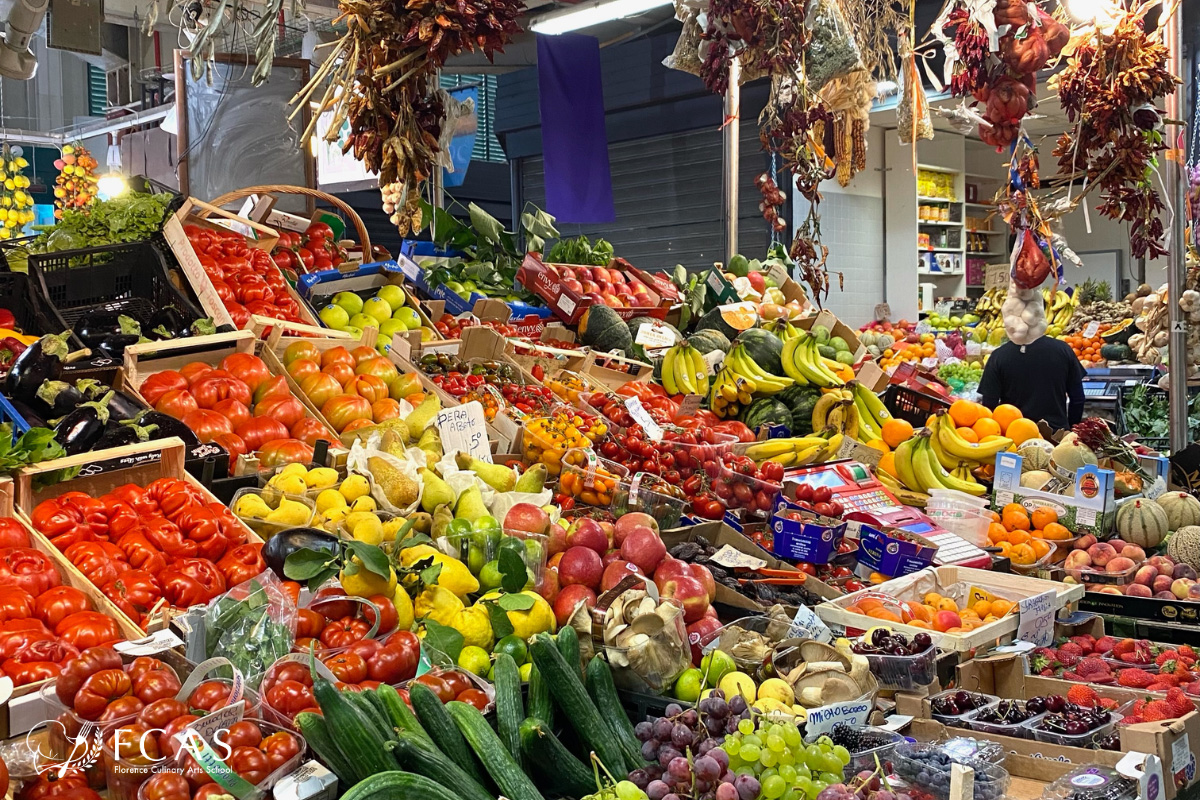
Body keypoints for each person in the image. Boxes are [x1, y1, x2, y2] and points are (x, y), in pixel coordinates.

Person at [978, 323, 1086, 432]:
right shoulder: (1063, 349)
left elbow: (989, 405)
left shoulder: (998, 356)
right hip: (1057, 435)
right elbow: (1078, 399)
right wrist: (1073, 428)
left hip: (1015, 436)